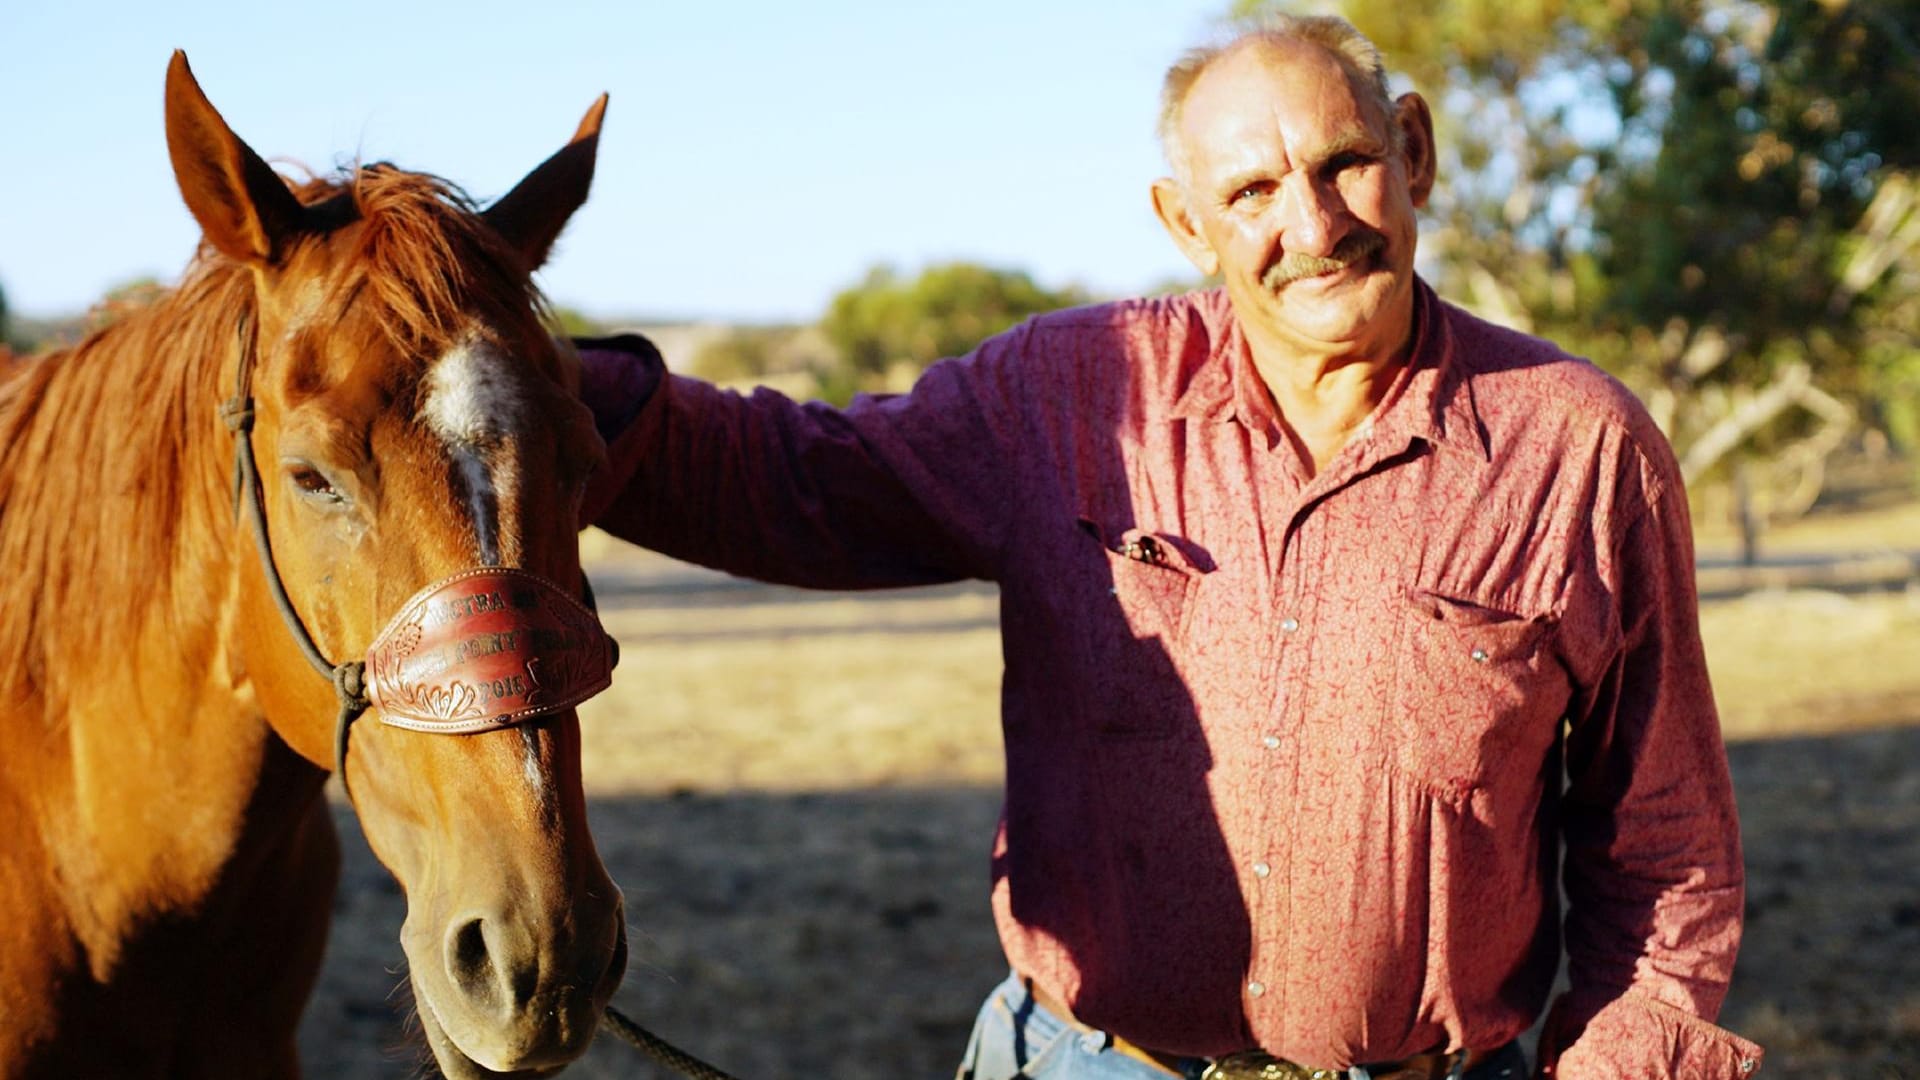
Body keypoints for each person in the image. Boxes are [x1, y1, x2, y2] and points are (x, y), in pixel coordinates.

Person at [575, 14, 1762, 1079]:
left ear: (1415, 152)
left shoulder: (1578, 446)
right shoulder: (1065, 394)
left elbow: (1663, 842)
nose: (1315, 226)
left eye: (1346, 163)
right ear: (1186, 222)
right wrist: (505, 378)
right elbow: (792, 480)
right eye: (1252, 192)